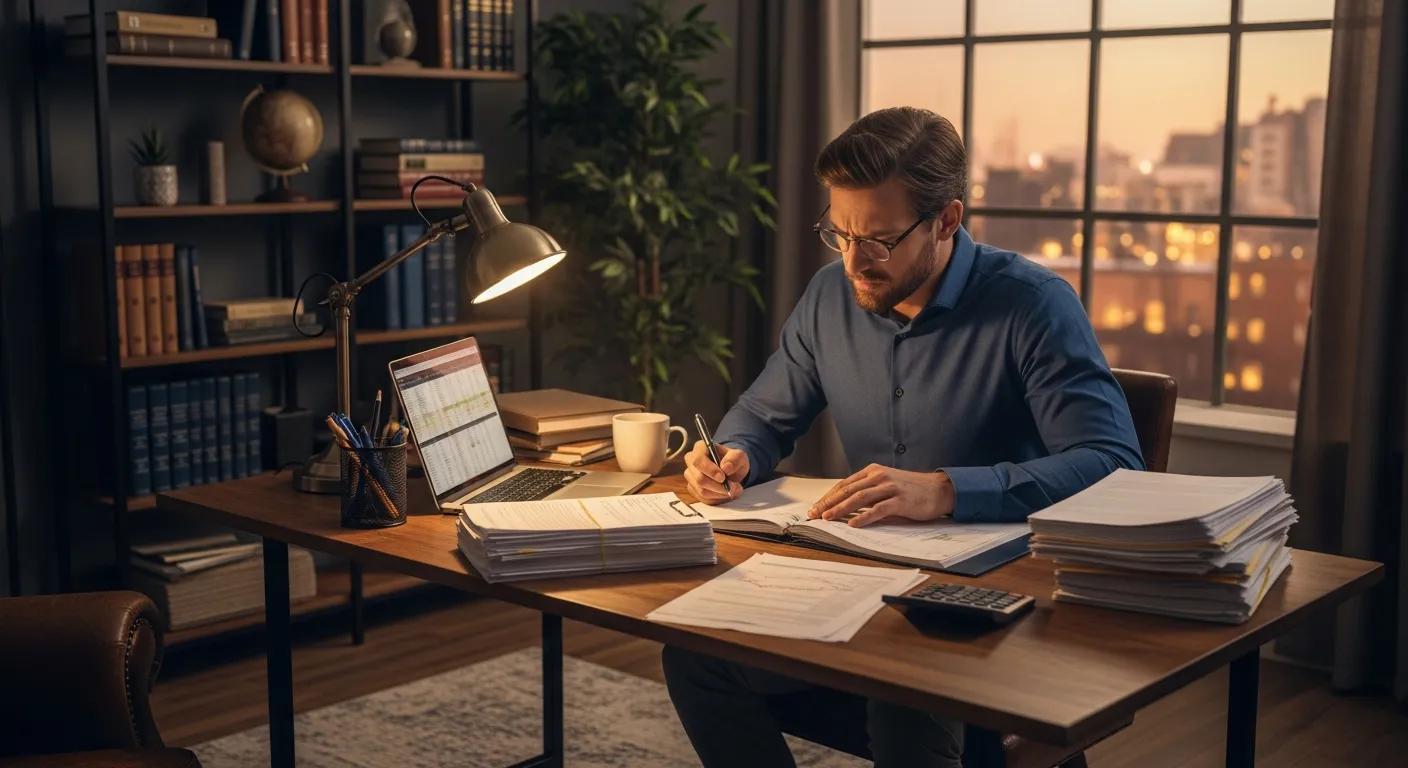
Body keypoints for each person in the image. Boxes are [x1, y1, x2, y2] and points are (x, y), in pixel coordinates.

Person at [662, 106, 1144, 768]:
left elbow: (1114, 465)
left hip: (1004, 599)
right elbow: (764, 413)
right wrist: (734, 453)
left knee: (900, 677)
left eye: (880, 240)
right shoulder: (830, 298)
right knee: (697, 657)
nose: (856, 262)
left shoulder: (1032, 305)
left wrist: (949, 490)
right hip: (865, 579)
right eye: (841, 235)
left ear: (947, 219)